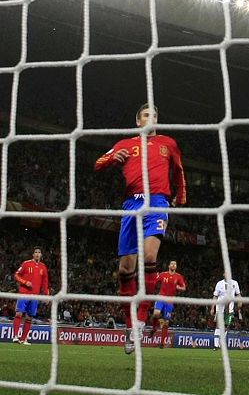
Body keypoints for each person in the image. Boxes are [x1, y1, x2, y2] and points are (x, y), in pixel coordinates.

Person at [94, 103, 187, 354]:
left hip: (157, 200)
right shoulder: (125, 144)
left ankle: (142, 321)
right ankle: (129, 325)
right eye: (147, 115)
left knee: (149, 257)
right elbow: (98, 163)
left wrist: (181, 196)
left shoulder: (168, 143)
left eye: (155, 115)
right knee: (125, 268)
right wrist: (113, 158)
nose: (151, 118)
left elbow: (179, 171)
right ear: (138, 121)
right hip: (130, 203)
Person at [12, 246, 50, 345]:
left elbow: (45, 283)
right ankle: (15, 336)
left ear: (41, 255)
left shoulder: (43, 267)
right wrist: (25, 282)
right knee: (19, 314)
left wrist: (46, 295)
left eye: (39, 252)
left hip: (35, 296)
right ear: (33, 254)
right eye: (36, 252)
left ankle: (23, 339)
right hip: (24, 293)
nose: (37, 254)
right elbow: (16, 275)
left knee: (29, 317)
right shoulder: (26, 263)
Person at [150, 259, 186, 348]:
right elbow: (155, 282)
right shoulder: (163, 274)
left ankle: (162, 343)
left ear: (176, 267)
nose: (173, 265)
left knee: (166, 322)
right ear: (169, 266)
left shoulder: (178, 277)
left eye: (175, 264)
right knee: (156, 314)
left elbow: (184, 288)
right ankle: (154, 328)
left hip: (170, 301)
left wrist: (177, 287)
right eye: (172, 264)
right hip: (161, 297)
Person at [212, 276, 243, 350]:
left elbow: (238, 294)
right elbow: (215, 296)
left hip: (230, 309)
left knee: (226, 327)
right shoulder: (219, 283)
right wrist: (212, 307)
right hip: (220, 308)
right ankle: (216, 345)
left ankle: (220, 344)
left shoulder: (235, 283)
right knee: (218, 325)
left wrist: (240, 301)